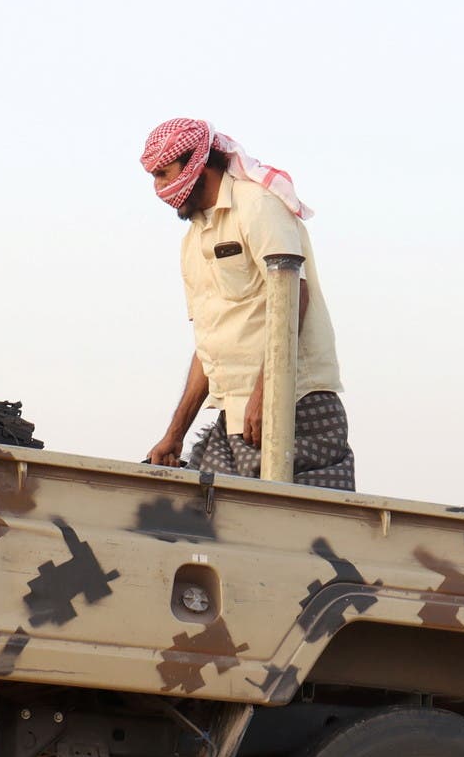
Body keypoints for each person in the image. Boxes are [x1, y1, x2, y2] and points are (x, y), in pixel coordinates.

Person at [138, 118, 355, 490]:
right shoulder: (193, 241)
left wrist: (268, 393)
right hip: (236, 415)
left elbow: (293, 295)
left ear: (197, 164)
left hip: (295, 404)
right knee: (205, 515)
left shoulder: (256, 205)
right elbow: (209, 346)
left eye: (164, 173)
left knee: (294, 524)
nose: (160, 188)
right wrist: (174, 434)